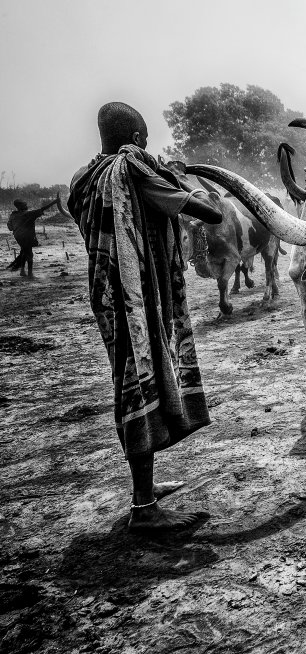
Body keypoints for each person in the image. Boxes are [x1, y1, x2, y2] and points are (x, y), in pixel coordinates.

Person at [68, 102, 226, 532]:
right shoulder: (134, 174)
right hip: (137, 300)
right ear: (136, 139)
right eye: (147, 139)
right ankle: (143, 509)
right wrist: (176, 178)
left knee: (135, 383)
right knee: (137, 388)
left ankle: (147, 489)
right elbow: (212, 212)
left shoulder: (85, 180)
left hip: (110, 297)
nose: (149, 147)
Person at [6, 197, 59, 276]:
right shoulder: (28, 214)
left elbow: (10, 227)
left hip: (18, 237)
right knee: (29, 254)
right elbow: (42, 209)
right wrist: (54, 202)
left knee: (24, 252)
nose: (26, 205)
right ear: (22, 206)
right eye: (24, 204)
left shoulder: (13, 215)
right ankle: (30, 273)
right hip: (27, 237)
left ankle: (22, 271)